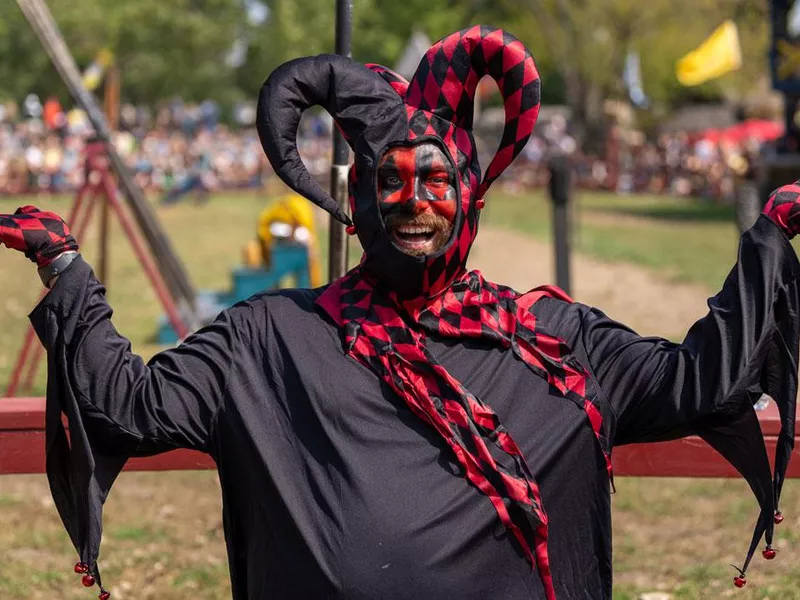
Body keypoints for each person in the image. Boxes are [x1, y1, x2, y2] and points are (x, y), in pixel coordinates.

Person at [1, 26, 798, 600]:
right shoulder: (269, 340)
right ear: (358, 203)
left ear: (471, 197)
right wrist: (66, 268)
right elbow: (132, 407)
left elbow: (703, 379)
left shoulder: (558, 343)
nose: (414, 201)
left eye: (436, 178)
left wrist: (769, 241)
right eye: (389, 181)